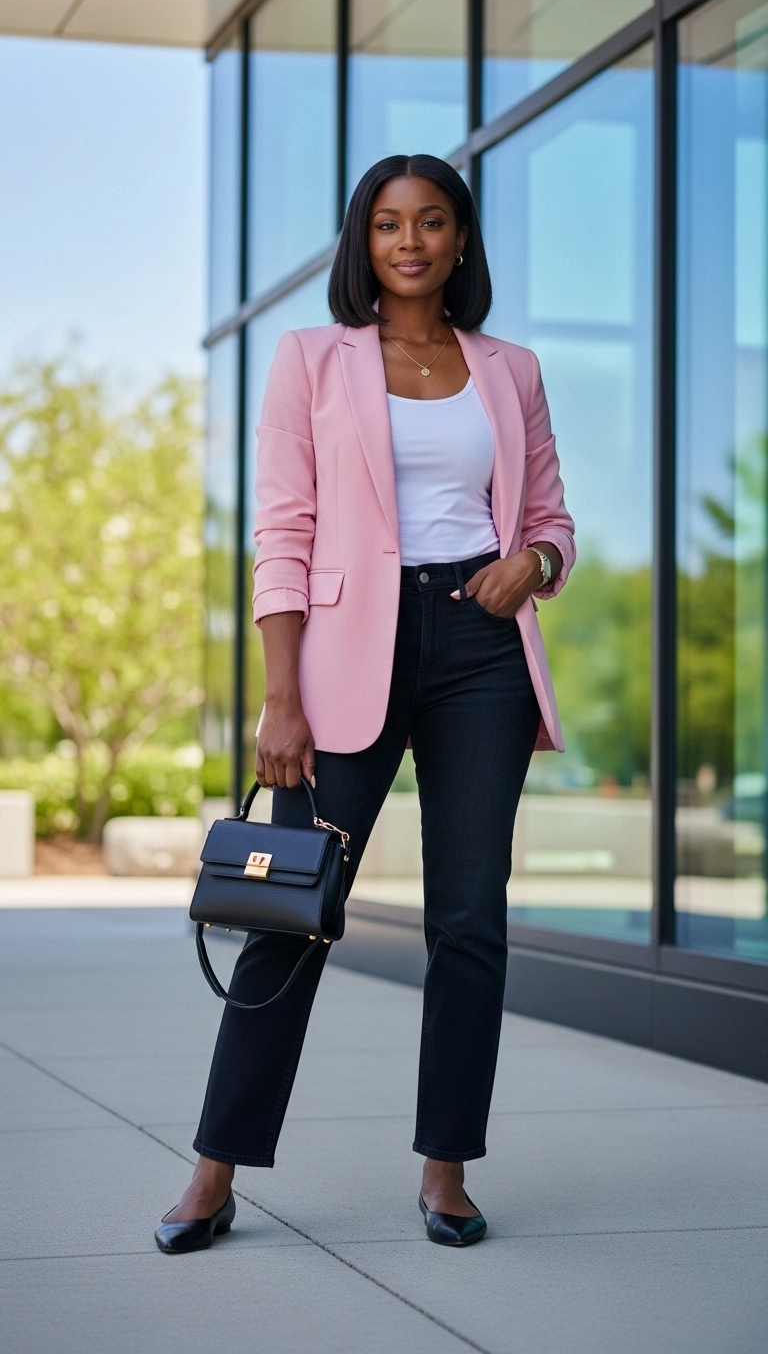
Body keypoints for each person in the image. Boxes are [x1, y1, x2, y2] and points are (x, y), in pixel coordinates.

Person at [155, 153, 575, 1254]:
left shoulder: (511, 370)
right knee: (291, 916)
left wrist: (529, 564)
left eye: (431, 222)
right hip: (348, 651)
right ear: (364, 240)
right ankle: (215, 1167)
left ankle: (446, 1169)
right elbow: (282, 532)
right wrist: (278, 693)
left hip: (481, 650)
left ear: (461, 241)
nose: (409, 240)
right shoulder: (311, 359)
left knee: (470, 920)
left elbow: (554, 521)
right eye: (388, 223)